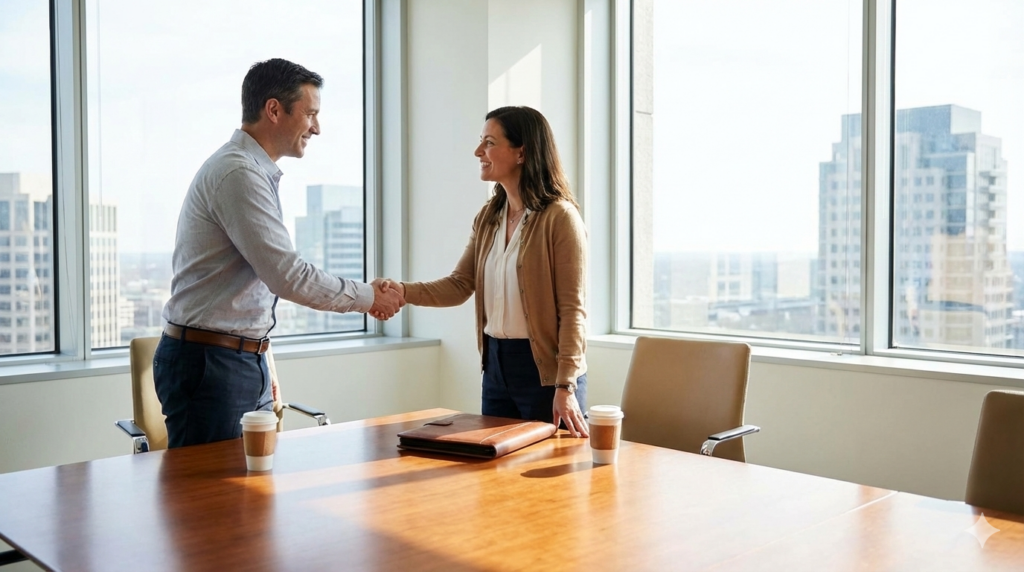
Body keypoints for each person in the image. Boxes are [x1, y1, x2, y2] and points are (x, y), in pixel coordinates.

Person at [155, 58, 403, 448]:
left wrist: (255, 359)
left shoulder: (251, 171)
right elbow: (287, 275)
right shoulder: (238, 173)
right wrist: (369, 297)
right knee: (209, 500)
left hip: (234, 360)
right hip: (212, 365)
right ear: (274, 110)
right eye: (311, 114)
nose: (317, 127)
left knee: (245, 497)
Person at [382, 106, 590, 437]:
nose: (478, 151)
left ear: (522, 152)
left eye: (489, 142)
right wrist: (402, 292)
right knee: (494, 476)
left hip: (546, 376)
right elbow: (460, 284)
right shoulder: (488, 217)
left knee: (547, 478)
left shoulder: (559, 218)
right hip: (495, 367)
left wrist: (565, 385)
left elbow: (572, 310)